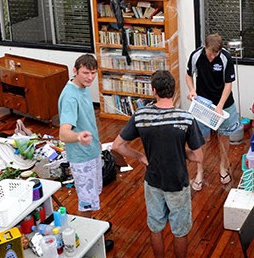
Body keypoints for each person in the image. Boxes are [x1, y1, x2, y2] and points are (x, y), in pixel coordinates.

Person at [111, 71, 204, 258]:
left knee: (156, 227)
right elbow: (198, 157)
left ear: (154, 91)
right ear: (174, 92)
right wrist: (179, 150)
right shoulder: (186, 118)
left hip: (153, 181)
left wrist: (139, 156)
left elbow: (117, 146)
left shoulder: (141, 115)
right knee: (180, 230)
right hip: (178, 183)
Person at [58, 54, 114, 251]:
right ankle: (89, 243)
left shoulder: (83, 88)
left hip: (91, 153)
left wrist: (95, 143)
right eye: (85, 73)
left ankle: (92, 227)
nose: (90, 77)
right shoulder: (71, 96)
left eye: (93, 73)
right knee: (87, 203)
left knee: (92, 197)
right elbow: (64, 133)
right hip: (82, 159)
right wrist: (79, 137)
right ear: (75, 71)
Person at [185, 33, 241, 191]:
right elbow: (189, 75)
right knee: (200, 138)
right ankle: (199, 172)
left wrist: (220, 106)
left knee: (224, 136)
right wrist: (192, 90)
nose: (213, 55)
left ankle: (223, 167)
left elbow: (228, 85)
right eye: (211, 52)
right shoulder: (196, 55)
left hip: (224, 103)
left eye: (216, 53)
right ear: (205, 46)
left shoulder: (225, 58)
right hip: (203, 103)